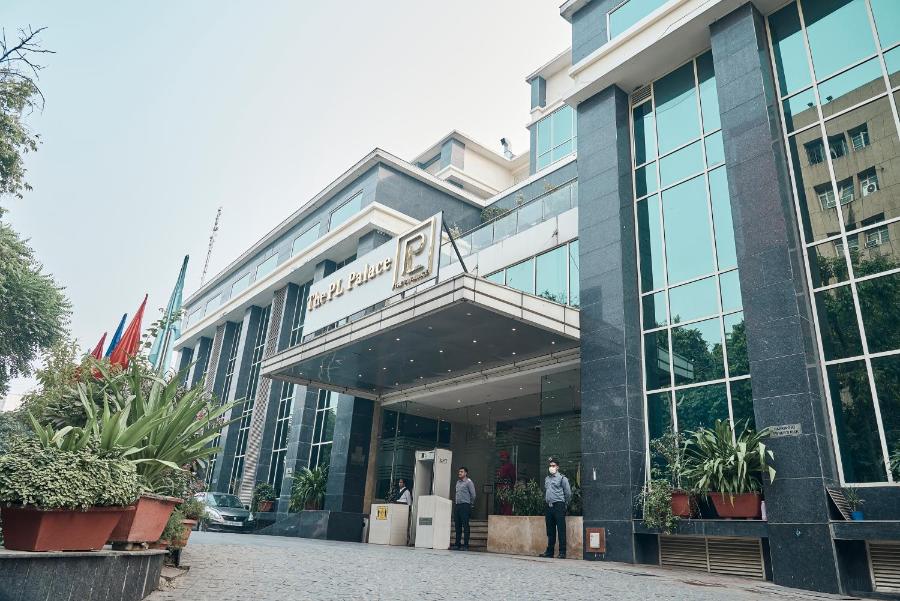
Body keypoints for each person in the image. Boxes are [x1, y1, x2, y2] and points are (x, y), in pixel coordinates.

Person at [540, 457, 571, 559]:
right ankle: (550, 552)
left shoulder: (562, 478)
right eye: (550, 465)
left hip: (559, 506)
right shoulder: (547, 479)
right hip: (549, 506)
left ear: (557, 467)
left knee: (561, 529)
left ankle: (562, 552)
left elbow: (568, 493)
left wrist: (564, 504)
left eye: (553, 465)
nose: (551, 467)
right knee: (550, 530)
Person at [453, 466, 476, 551]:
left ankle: (466, 545)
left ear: (465, 473)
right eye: (459, 471)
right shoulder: (458, 482)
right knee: (457, 525)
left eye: (461, 472)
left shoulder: (469, 482)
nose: (459, 473)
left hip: (465, 506)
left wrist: (470, 504)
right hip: (457, 505)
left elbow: (473, 494)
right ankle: (457, 544)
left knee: (465, 526)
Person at [495, 450, 516, 516]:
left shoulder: (509, 466)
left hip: (506, 487)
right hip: (501, 488)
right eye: (501, 458)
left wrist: (512, 486)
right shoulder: (502, 466)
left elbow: (513, 477)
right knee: (502, 504)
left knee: (507, 504)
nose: (501, 460)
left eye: (503, 458)